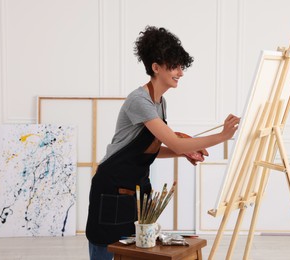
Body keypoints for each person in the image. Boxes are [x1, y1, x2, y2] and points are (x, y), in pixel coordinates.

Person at [85, 25, 240, 260]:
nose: (181, 72)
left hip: (134, 189)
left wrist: (184, 153)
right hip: (111, 185)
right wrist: (222, 136)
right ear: (156, 67)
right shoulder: (139, 101)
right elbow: (175, 142)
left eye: (181, 66)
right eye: (175, 66)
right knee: (105, 251)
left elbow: (150, 150)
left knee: (132, 253)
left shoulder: (160, 103)